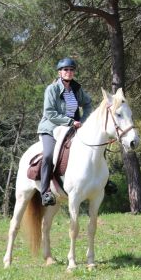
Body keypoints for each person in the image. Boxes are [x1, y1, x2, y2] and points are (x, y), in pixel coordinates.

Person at [37, 58, 92, 206]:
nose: (69, 72)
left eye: (71, 70)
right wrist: (70, 122)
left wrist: (83, 122)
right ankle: (45, 192)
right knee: (48, 155)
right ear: (60, 72)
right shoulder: (52, 89)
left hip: (72, 128)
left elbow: (88, 103)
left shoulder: (76, 89)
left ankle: (103, 181)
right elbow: (49, 113)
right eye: (66, 70)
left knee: (93, 145)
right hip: (51, 128)